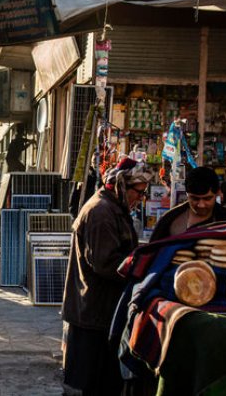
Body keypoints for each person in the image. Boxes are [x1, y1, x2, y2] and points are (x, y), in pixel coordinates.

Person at [61, 158, 151, 396]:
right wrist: (141, 268)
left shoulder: (113, 206)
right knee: (95, 383)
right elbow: (106, 264)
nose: (140, 199)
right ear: (123, 186)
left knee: (105, 381)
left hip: (102, 310)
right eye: (139, 193)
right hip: (94, 311)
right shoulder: (101, 211)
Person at [151, 166, 226, 242]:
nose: (201, 205)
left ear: (217, 193)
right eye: (195, 198)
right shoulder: (169, 220)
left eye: (207, 198)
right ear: (187, 194)